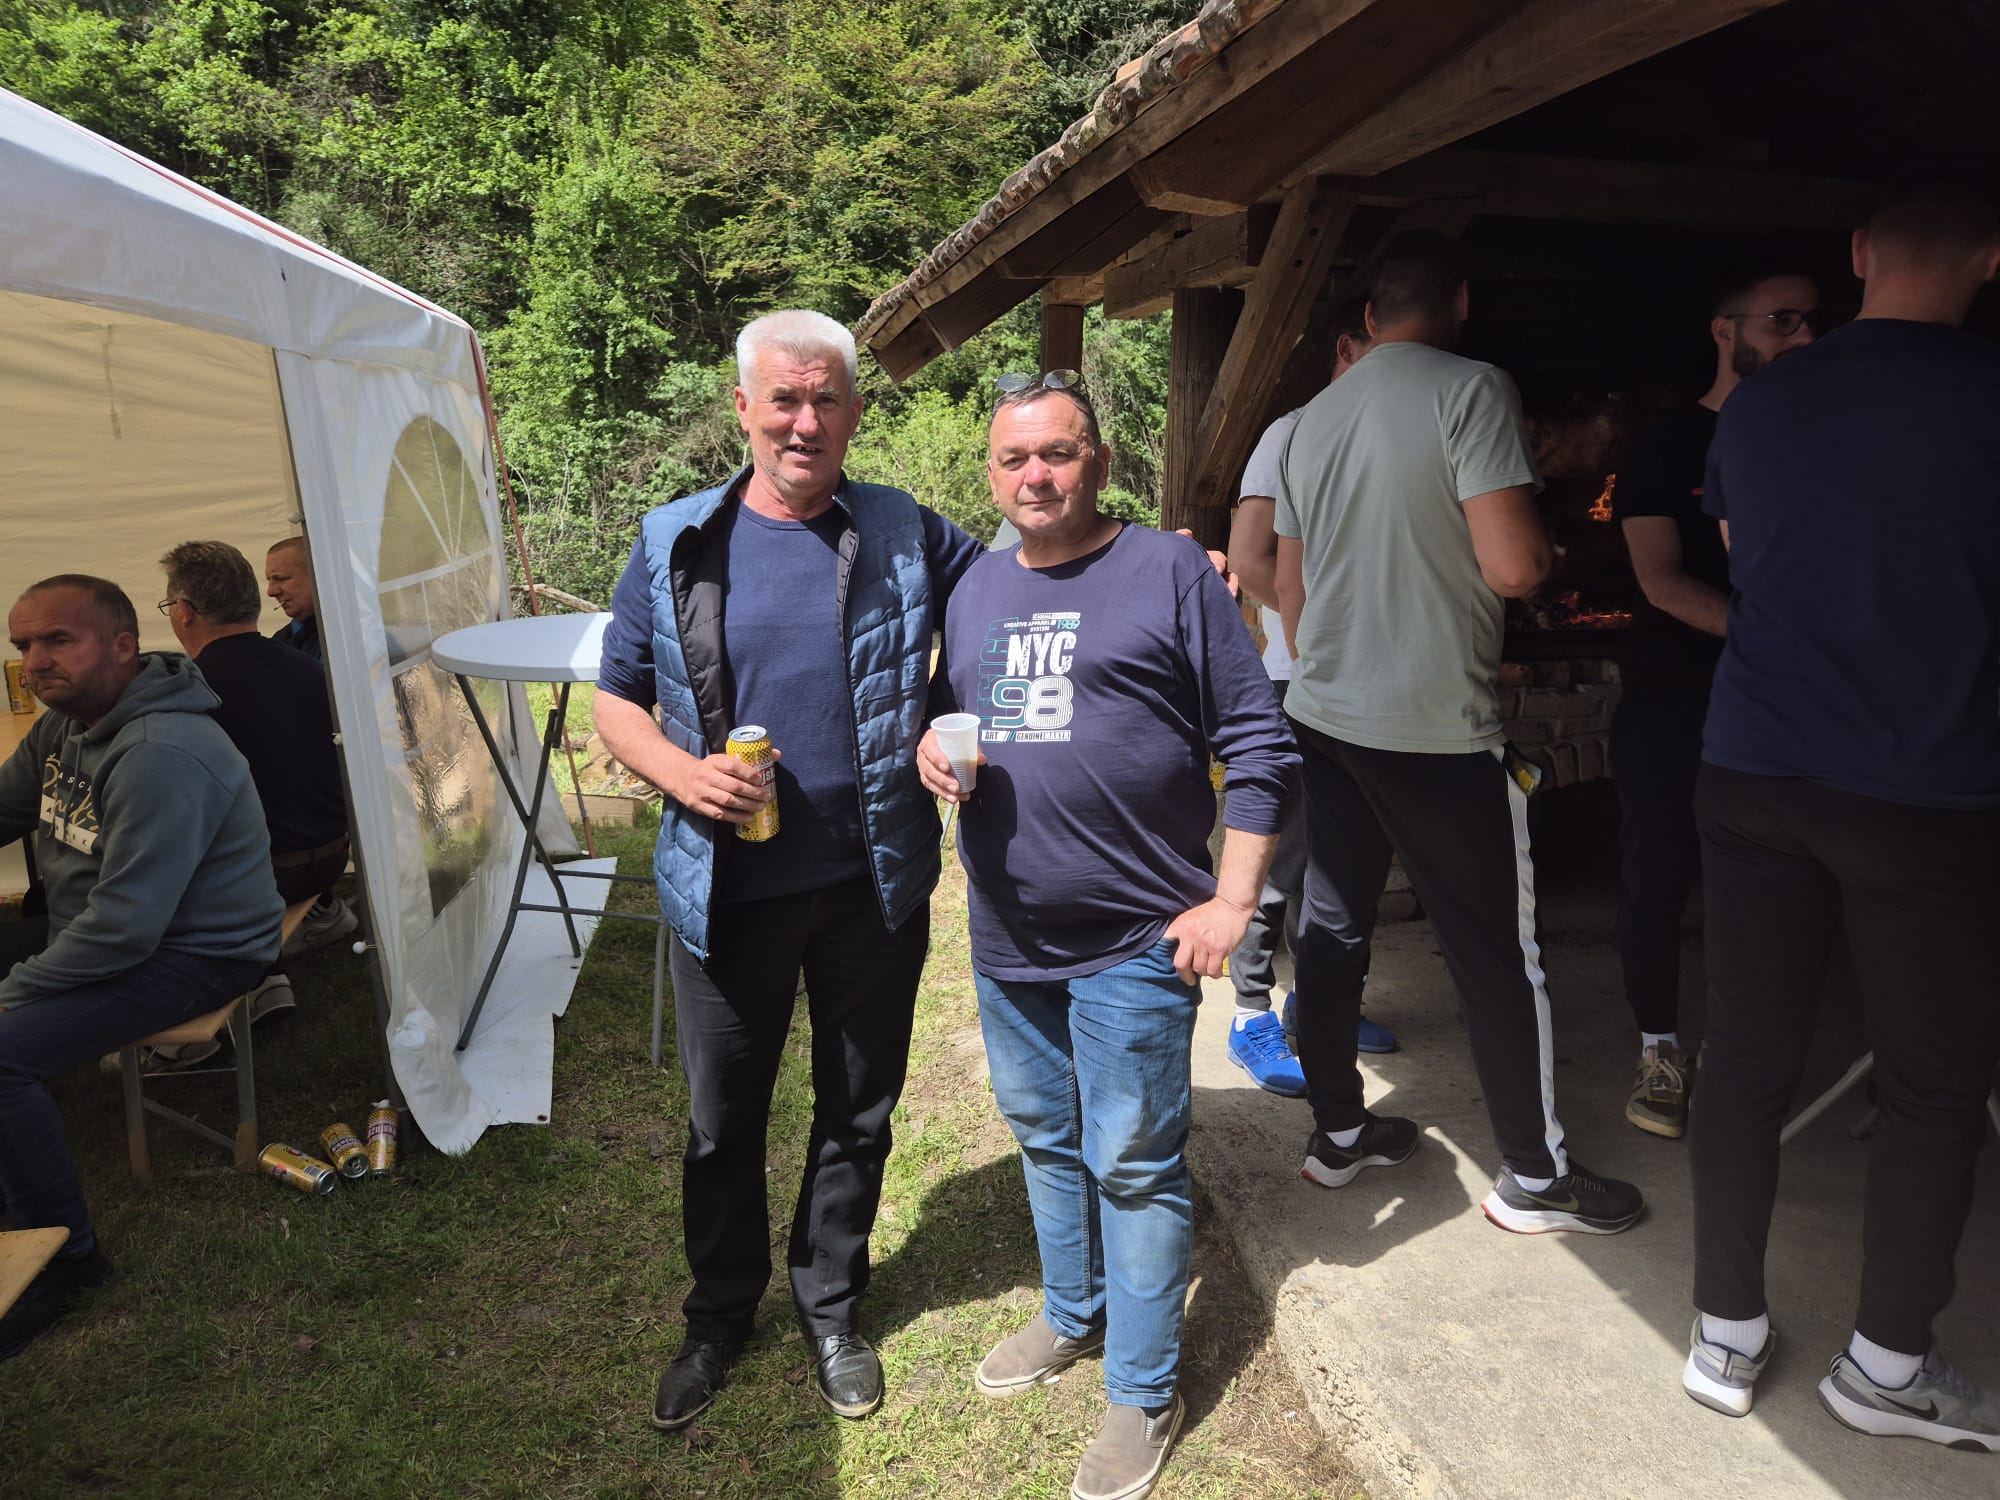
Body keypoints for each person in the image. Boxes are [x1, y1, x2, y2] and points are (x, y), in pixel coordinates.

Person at [594, 310, 984, 1431]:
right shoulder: (675, 539)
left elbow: (1007, 604)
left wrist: (947, 714)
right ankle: (719, 1316)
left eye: (825, 400)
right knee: (724, 1120)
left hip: (872, 885)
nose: (804, 422)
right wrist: (681, 773)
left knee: (857, 1109)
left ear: (854, 411)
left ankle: (831, 1306)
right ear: (743, 409)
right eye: (783, 400)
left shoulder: (905, 528)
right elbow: (616, 698)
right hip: (728, 892)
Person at [918, 375, 1296, 1500]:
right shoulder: (975, 587)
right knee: (1045, 1133)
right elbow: (950, 715)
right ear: (991, 474)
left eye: (1057, 453)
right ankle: (1071, 1313)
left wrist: (1232, 902)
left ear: (1099, 461)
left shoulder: (1171, 573)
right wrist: (930, 751)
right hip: (1008, 928)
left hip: (1137, 933)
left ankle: (1142, 1390)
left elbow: (1258, 743)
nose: (1034, 476)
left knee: (1131, 1163)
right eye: (1013, 459)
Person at [1681, 181, 2000, 1448]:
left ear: (1859, 253)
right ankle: (1882, 1370)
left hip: (1750, 768)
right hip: (1922, 784)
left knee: (1743, 1057)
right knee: (1931, 1084)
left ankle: (1720, 1334)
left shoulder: (1759, 404)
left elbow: (1744, 555)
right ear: (1990, 260)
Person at [1275, 230, 1644, 1233]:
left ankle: (1337, 1135)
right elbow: (1515, 568)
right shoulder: (1473, 389)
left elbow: (1289, 591)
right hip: (1433, 724)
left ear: (1365, 319)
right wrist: (1547, 553)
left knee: (1332, 926)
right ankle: (1533, 1179)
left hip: (1325, 712)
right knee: (1494, 951)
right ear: (1462, 304)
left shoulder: (1307, 419)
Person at [0, 576, 283, 1358]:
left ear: (123, 646)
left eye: (58, 640)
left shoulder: (161, 751)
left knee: (4, 1056)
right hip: (104, 930)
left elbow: (125, 929)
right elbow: (7, 806)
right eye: (23, 645)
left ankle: (68, 1262)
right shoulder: (66, 725)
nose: (35, 661)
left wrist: (14, 993)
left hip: (199, 952)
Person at [1611, 268, 1818, 1138]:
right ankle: (1658, 1051)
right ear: (1724, 330)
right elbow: (1660, 581)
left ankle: (1744, 1064)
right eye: (1783, 321)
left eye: (1812, 321)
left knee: (1778, 888)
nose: (1804, 337)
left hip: (1789, 706)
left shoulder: (1820, 436)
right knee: (1656, 876)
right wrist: (1784, 640)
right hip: (1675, 697)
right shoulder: (1664, 447)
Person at [1223, 296, 1393, 1097]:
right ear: (1347, 348)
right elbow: (1250, 558)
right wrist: (1321, 640)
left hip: (1374, 684)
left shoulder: (1388, 433)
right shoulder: (1290, 434)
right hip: (1298, 677)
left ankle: (1316, 1003)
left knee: (1342, 857)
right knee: (1279, 851)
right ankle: (1249, 1012)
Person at [160, 541, 357, 1018]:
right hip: (333, 856)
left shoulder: (189, 689)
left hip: (266, 878)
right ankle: (310, 927)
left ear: (184, 611)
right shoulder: (308, 665)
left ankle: (245, 985)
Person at [264, 537, 321, 660]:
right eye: (269, 580)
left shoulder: (350, 633)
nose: (271, 592)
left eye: (281, 578)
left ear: (317, 575)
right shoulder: (282, 641)